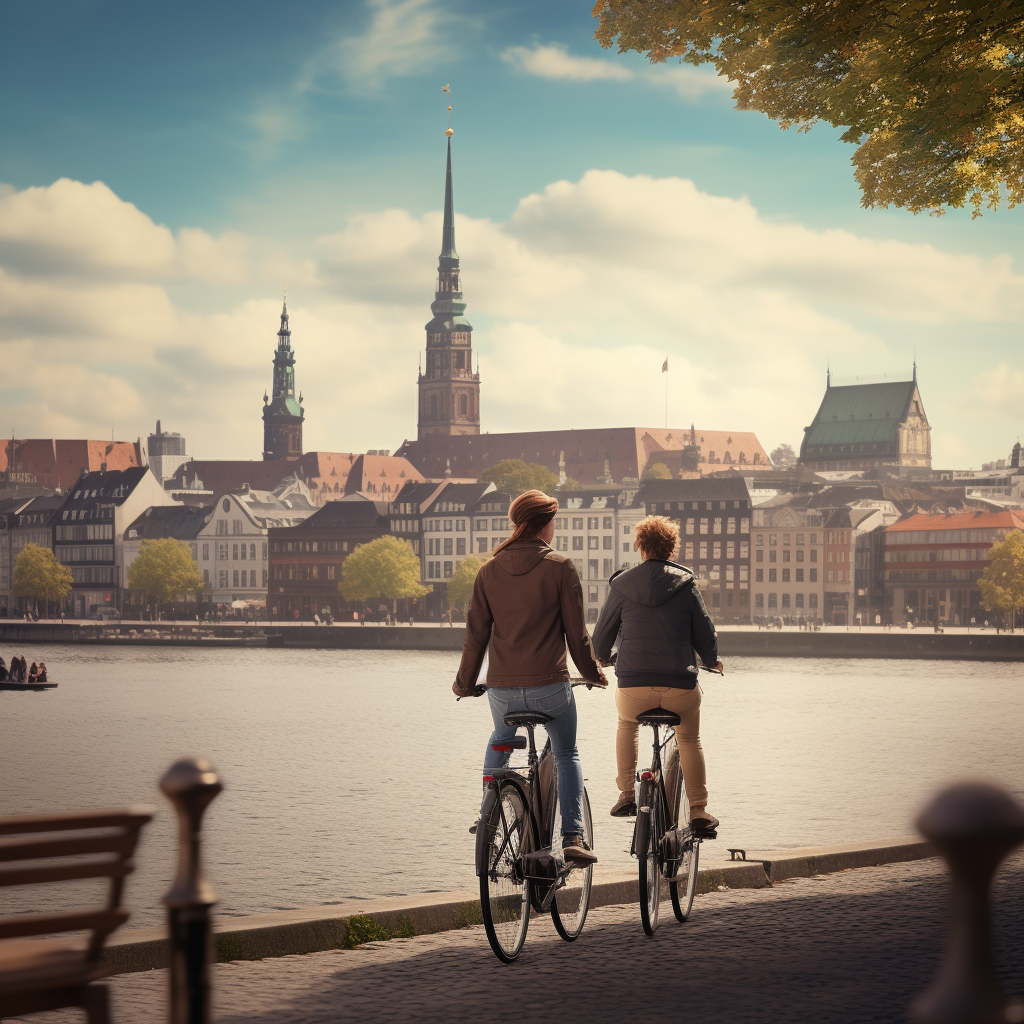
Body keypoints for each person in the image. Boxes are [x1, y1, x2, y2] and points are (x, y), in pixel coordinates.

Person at [453, 489, 607, 865]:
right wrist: (594, 673)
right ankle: (573, 835)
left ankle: (488, 810)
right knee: (566, 752)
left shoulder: (488, 571)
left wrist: (465, 683)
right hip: (549, 689)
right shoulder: (560, 566)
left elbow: (475, 636)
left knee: (501, 738)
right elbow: (577, 635)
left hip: (501, 690)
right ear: (547, 524)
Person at [593, 514, 722, 837]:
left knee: (627, 724)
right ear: (672, 548)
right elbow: (705, 633)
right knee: (689, 740)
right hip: (680, 684)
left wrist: (604, 658)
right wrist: (711, 660)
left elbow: (600, 638)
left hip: (634, 684)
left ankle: (625, 795)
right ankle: (698, 810)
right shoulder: (686, 584)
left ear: (641, 546)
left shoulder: (621, 584)